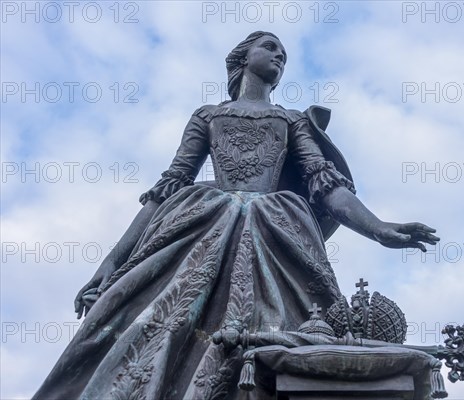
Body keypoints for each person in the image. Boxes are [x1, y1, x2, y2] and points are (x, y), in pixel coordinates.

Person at [33, 31, 439, 400]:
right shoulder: (207, 116)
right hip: (201, 226)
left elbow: (327, 187)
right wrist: (111, 262)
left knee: (299, 330)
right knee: (160, 321)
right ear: (242, 58)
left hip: (276, 229)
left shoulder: (290, 120)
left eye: (284, 55)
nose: (279, 56)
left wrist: (379, 228)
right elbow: (167, 188)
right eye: (270, 47)